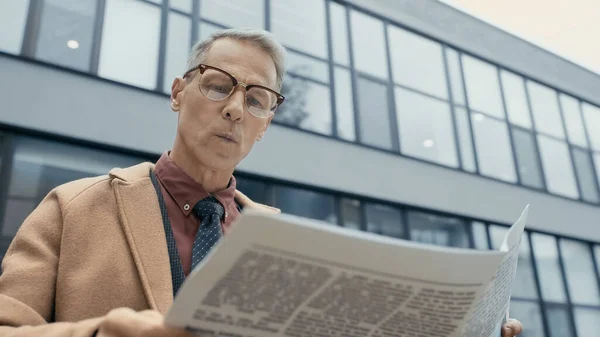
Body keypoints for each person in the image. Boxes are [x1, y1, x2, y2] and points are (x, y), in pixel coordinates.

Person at [0, 28, 523, 337]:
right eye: (218, 85)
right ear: (179, 92)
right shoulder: (74, 206)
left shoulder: (290, 245)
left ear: (266, 121)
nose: (234, 109)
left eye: (255, 99)